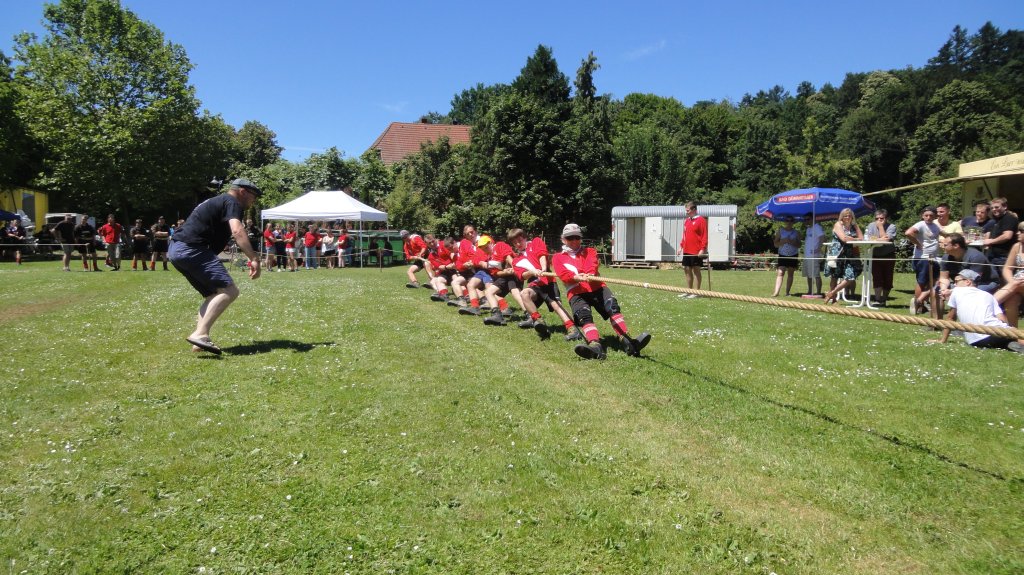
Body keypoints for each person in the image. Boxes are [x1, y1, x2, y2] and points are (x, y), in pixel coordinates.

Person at [168, 178, 262, 354]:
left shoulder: (217, 201)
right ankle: (200, 334)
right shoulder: (232, 202)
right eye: (253, 196)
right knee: (229, 291)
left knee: (213, 294)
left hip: (177, 249)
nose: (254, 200)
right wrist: (254, 258)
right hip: (193, 248)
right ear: (243, 192)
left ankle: (200, 341)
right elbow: (237, 230)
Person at [552, 223, 651, 360]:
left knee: (612, 307)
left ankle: (628, 341)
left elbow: (592, 264)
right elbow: (562, 273)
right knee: (584, 316)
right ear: (563, 239)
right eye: (570, 238)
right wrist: (576, 277)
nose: (574, 241)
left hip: (597, 287)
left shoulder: (590, 251)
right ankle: (595, 346)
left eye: (577, 237)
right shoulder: (557, 257)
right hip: (575, 291)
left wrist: (589, 274)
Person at [509, 228, 579, 341]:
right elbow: (522, 276)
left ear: (525, 238)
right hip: (534, 283)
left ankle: (572, 329)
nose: (518, 244)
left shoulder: (536, 242)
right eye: (515, 243)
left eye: (520, 240)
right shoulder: (516, 260)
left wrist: (542, 268)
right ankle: (537, 320)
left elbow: (542, 254)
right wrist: (532, 272)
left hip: (547, 280)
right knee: (524, 294)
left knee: (556, 305)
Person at [928, 270, 1023, 352]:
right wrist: (1010, 329)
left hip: (975, 341)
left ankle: (1011, 344)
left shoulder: (956, 291)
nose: (954, 284)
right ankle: (1012, 342)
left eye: (956, 281)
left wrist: (943, 340)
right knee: (1015, 335)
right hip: (995, 332)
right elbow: (1001, 318)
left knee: (1007, 340)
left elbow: (950, 318)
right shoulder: (987, 295)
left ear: (968, 282)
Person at [904, 205, 941, 315]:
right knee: (922, 282)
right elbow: (908, 233)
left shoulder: (935, 226)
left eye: (931, 215)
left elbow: (943, 234)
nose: (928, 217)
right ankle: (917, 305)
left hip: (933, 258)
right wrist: (918, 244)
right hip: (922, 258)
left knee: (933, 281)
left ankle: (922, 303)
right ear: (922, 216)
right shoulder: (920, 224)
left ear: (934, 216)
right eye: (926, 215)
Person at [823, 208, 864, 305]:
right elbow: (844, 239)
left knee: (851, 275)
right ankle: (834, 300)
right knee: (834, 276)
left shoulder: (854, 226)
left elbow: (862, 238)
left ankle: (831, 293)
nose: (847, 217)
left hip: (849, 254)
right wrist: (855, 239)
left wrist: (853, 234)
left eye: (849, 215)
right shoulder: (838, 224)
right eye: (845, 216)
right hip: (837, 254)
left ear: (852, 217)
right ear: (842, 216)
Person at [993, 222, 1024, 327]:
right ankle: (1013, 332)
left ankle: (988, 304)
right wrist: (1012, 282)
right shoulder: (1017, 246)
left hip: (1019, 284)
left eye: (1021, 231)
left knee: (1018, 285)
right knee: (1010, 301)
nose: (1017, 233)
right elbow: (1007, 268)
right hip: (1017, 284)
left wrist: (1014, 284)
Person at [864, 209, 897, 304]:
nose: (879, 220)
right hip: (875, 255)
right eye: (876, 218)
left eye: (881, 218)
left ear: (886, 218)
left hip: (888, 255)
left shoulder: (892, 227)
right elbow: (868, 238)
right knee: (877, 277)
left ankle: (884, 299)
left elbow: (886, 241)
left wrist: (880, 227)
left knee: (888, 278)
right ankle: (877, 299)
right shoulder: (871, 225)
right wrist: (881, 238)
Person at [675, 201, 707, 298]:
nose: (686, 212)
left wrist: (703, 249)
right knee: (687, 270)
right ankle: (688, 291)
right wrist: (680, 247)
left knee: (696, 270)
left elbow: (704, 236)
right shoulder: (687, 221)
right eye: (686, 210)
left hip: (696, 251)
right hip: (687, 250)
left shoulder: (701, 220)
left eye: (688, 210)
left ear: (694, 209)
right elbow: (684, 236)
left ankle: (696, 292)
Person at [983, 197, 1020, 267]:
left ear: (1005, 207)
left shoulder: (1009, 218)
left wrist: (991, 241)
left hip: (1003, 257)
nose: (994, 209)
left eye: (997, 207)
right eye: (992, 208)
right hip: (992, 255)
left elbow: (1007, 236)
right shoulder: (995, 220)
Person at [771, 215, 800, 297]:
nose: (789, 222)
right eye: (787, 220)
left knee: (790, 274)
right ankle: (776, 292)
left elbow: (799, 245)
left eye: (791, 220)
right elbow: (775, 244)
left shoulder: (796, 232)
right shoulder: (780, 231)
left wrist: (792, 242)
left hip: (793, 255)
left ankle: (787, 292)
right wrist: (783, 241)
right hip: (782, 254)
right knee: (780, 273)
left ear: (793, 222)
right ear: (785, 221)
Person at [801, 213, 825, 297]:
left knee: (816, 274)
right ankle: (810, 291)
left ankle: (818, 292)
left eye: (808, 219)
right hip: (807, 255)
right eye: (805, 219)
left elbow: (822, 238)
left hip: (813, 255)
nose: (806, 221)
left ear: (813, 219)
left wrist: (818, 249)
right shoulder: (808, 229)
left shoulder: (817, 227)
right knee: (809, 275)